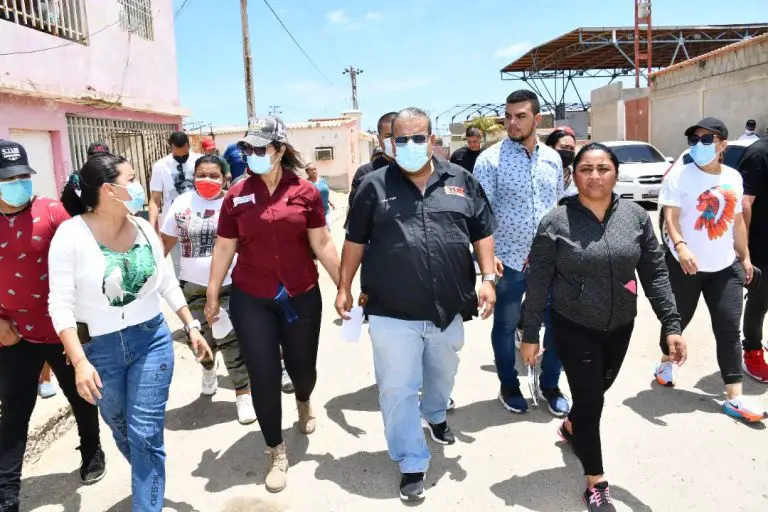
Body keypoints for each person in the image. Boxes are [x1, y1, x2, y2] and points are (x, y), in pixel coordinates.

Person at [336, 107, 498, 502]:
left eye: (417, 137)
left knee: (443, 372)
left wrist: (489, 278)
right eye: (400, 139)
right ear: (391, 143)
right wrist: (343, 286)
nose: (409, 145)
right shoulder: (373, 186)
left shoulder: (461, 180)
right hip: (392, 308)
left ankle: (437, 413)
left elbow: (482, 232)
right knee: (397, 388)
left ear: (432, 139)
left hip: (449, 305)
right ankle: (411, 459)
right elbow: (355, 241)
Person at [520, 142, 687, 512]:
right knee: (592, 401)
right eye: (586, 169)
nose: (595, 176)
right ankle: (595, 483)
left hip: (620, 324)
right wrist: (530, 334)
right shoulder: (555, 221)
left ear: (615, 173)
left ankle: (571, 426)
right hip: (573, 323)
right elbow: (538, 283)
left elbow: (656, 273)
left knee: (596, 391)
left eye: (603, 169)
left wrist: (671, 325)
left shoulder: (635, 217)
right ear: (573, 174)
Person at [50, 153, 213, 511]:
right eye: (132, 179)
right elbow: (59, 304)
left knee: (145, 433)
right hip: (99, 351)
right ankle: (149, 474)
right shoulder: (70, 235)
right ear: (109, 190)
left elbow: (166, 281)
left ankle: (146, 501)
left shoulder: (141, 227)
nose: (139, 187)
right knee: (122, 427)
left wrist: (191, 325)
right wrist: (78, 361)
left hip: (151, 341)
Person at [205, 116, 341, 494]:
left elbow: (323, 243)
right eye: (247, 148)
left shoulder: (306, 192)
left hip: (300, 294)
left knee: (303, 369)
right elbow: (224, 247)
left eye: (260, 148)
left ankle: (303, 399)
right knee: (263, 374)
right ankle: (275, 449)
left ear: (279, 151)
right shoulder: (236, 195)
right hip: (252, 297)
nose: (251, 155)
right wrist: (214, 293)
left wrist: (344, 286)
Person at [0, 140, 105, 512]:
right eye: (9, 178)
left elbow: (84, 254)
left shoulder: (52, 212)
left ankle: (92, 450)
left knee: (80, 396)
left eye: (23, 176)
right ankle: (7, 491)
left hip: (61, 328)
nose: (19, 183)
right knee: (14, 411)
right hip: (13, 335)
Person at [656, 117, 766, 422]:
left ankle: (734, 398)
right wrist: (680, 247)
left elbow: (738, 221)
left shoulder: (733, 176)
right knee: (678, 320)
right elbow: (671, 217)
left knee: (730, 328)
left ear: (722, 145)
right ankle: (665, 360)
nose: (699, 146)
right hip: (686, 267)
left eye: (707, 140)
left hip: (724, 268)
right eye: (694, 141)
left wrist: (744, 258)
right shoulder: (680, 176)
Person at [474, 90, 570, 416]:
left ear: (537, 119)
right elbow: (478, 214)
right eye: (508, 116)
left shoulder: (553, 159)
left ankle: (551, 384)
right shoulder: (489, 160)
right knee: (505, 326)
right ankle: (509, 385)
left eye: (520, 116)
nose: (512, 122)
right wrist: (487, 262)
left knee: (559, 323)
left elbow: (556, 206)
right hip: (508, 262)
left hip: (549, 261)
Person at [160, 155, 256, 424]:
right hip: (191, 287)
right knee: (202, 338)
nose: (207, 180)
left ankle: (242, 393)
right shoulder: (182, 203)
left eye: (214, 175)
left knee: (230, 337)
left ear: (225, 177)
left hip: (230, 285)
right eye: (201, 174)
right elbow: (164, 243)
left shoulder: (233, 202)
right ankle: (208, 369)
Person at [148, 132, 203, 276]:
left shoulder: (200, 160)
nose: (181, 158)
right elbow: (155, 199)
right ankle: (184, 292)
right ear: (171, 147)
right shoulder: (160, 166)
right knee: (178, 265)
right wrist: (151, 226)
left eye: (184, 155)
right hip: (173, 223)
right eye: (177, 155)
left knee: (200, 259)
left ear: (188, 145)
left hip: (200, 219)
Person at [739, 133, 768, 382]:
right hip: (762, 245)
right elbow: (745, 202)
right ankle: (752, 351)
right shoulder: (759, 153)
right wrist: (745, 249)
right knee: (759, 301)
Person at [347, 112, 398, 213]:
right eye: (388, 136)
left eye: (397, 136)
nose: (393, 141)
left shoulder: (415, 168)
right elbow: (356, 210)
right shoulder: (365, 172)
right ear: (379, 140)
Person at [545, 128, 578, 196]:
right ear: (551, 149)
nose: (568, 151)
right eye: (563, 147)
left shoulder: (577, 176)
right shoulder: (540, 174)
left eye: (571, 148)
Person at [305, 162, 335, 228]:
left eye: (315, 169)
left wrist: (330, 202)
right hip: (314, 213)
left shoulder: (322, 180)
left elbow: (324, 192)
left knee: (328, 227)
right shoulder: (306, 184)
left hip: (326, 210)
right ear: (307, 172)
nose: (314, 171)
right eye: (311, 170)